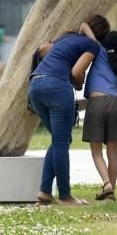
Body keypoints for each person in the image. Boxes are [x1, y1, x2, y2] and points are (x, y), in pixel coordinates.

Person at [29, 22, 99, 206]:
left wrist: (83, 26)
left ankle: (44, 191)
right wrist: (79, 84)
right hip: (57, 86)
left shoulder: (61, 41)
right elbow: (77, 72)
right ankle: (65, 196)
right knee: (61, 142)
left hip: (35, 85)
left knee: (59, 140)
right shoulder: (91, 45)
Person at [78, 16, 117, 202]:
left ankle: (106, 183)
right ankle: (111, 193)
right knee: (113, 152)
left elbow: (84, 25)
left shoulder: (99, 50)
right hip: (115, 105)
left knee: (96, 151)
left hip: (97, 103)